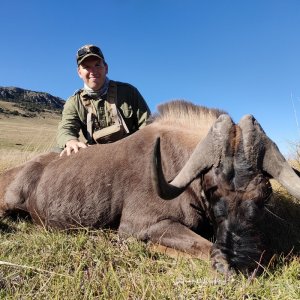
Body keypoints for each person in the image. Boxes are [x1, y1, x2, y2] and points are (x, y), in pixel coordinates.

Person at [57, 44, 151, 156]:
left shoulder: (129, 92)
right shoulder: (74, 102)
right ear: (79, 72)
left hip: (131, 153)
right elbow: (66, 127)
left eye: (97, 65)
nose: (93, 71)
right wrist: (70, 141)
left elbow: (148, 125)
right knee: (59, 152)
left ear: (106, 68)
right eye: (87, 67)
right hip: (96, 157)